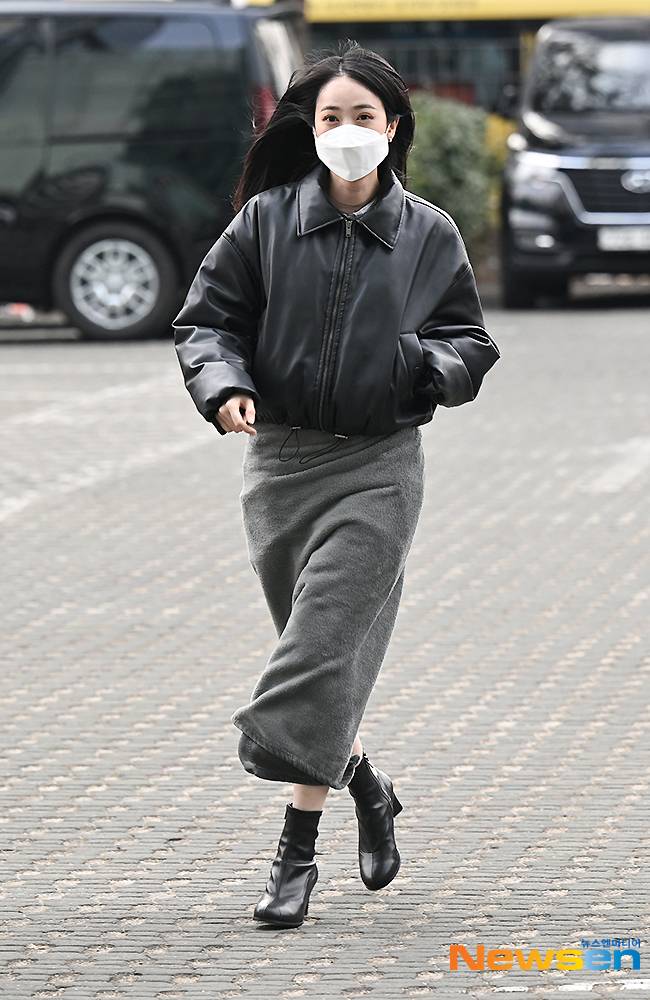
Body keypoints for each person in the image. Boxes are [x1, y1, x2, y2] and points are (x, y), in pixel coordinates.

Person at [172, 39, 501, 929]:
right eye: (331, 117)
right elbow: (207, 321)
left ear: (391, 129)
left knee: (318, 652)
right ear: (310, 129)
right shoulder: (265, 222)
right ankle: (367, 786)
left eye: (364, 116)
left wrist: (417, 368)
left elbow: (470, 342)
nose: (348, 130)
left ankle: (295, 854)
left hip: (378, 467)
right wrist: (223, 387)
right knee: (323, 664)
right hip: (279, 465)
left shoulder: (428, 232)